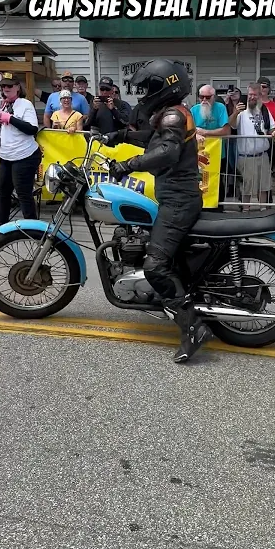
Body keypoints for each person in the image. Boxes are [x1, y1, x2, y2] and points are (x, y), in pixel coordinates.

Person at [102, 58, 213, 364]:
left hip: (179, 200)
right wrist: (120, 137)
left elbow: (167, 151)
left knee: (154, 265)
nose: (143, 94)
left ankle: (193, 327)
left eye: (147, 88)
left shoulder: (173, 117)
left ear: (164, 87)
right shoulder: (171, 114)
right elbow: (154, 141)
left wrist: (127, 165)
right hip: (175, 196)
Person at [0, 73, 41, 235]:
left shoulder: (25, 104)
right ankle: (0, 224)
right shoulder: (1, 104)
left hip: (24, 155)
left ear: (17, 87)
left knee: (23, 192)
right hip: (6, 155)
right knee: (2, 190)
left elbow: (32, 129)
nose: (6, 89)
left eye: (9, 86)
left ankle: (32, 227)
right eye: (3, 87)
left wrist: (11, 118)